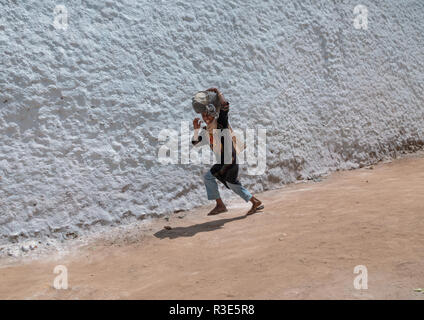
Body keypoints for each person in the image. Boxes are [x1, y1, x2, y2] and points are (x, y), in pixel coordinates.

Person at [192, 87, 263, 215]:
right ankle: (255, 201)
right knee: (233, 184)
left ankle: (220, 205)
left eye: (207, 114)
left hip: (229, 159)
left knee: (209, 177)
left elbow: (224, 106)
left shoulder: (221, 123)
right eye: (203, 115)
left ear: (213, 113)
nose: (205, 117)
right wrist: (196, 130)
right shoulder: (206, 130)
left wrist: (218, 92)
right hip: (226, 160)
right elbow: (196, 143)